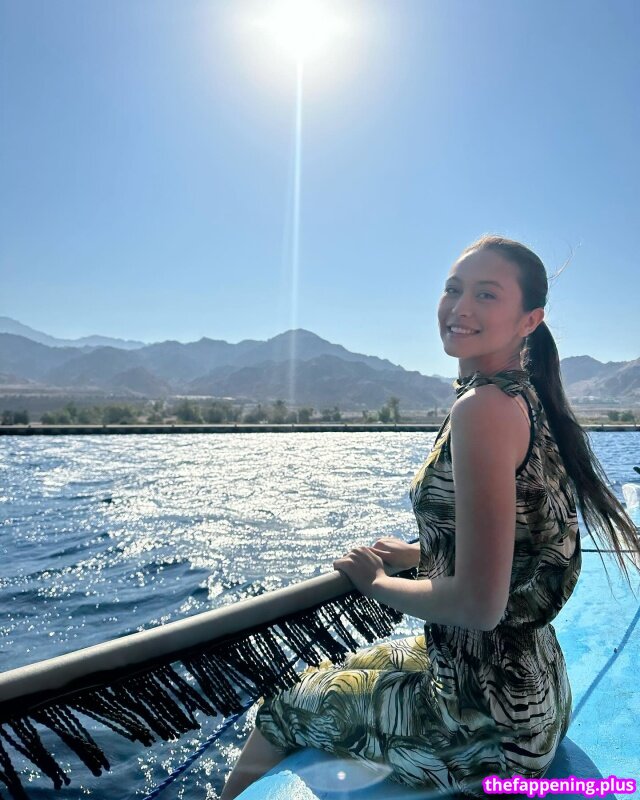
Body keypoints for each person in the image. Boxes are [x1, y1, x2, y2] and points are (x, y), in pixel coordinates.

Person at [219, 235, 640, 800]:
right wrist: (422, 553)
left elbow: (479, 606)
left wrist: (377, 583)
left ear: (529, 320)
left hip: (483, 731)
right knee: (346, 666)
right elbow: (524, 541)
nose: (460, 307)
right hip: (535, 693)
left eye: (486, 294)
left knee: (281, 705)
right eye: (453, 289)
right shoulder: (520, 397)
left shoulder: (482, 409)